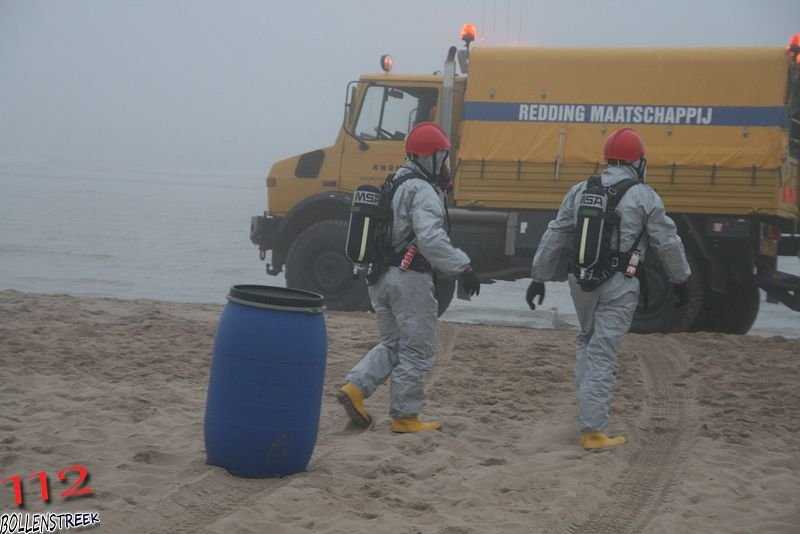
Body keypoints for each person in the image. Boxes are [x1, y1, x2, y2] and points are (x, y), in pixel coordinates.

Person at [526, 127, 691, 450]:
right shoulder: (644, 196)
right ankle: (593, 431)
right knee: (604, 351)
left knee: (587, 339)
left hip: (580, 281)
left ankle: (587, 417)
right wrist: (681, 280)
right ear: (637, 161)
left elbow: (556, 235)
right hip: (619, 283)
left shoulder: (580, 190)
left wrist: (538, 277)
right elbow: (668, 243)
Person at [338, 122, 481, 433]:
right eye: (442, 157)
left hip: (379, 279)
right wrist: (463, 268)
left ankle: (355, 388)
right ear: (430, 158)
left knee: (392, 343)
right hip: (409, 279)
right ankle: (406, 417)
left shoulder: (395, 181)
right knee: (417, 348)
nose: (444, 165)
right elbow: (430, 239)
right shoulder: (423, 190)